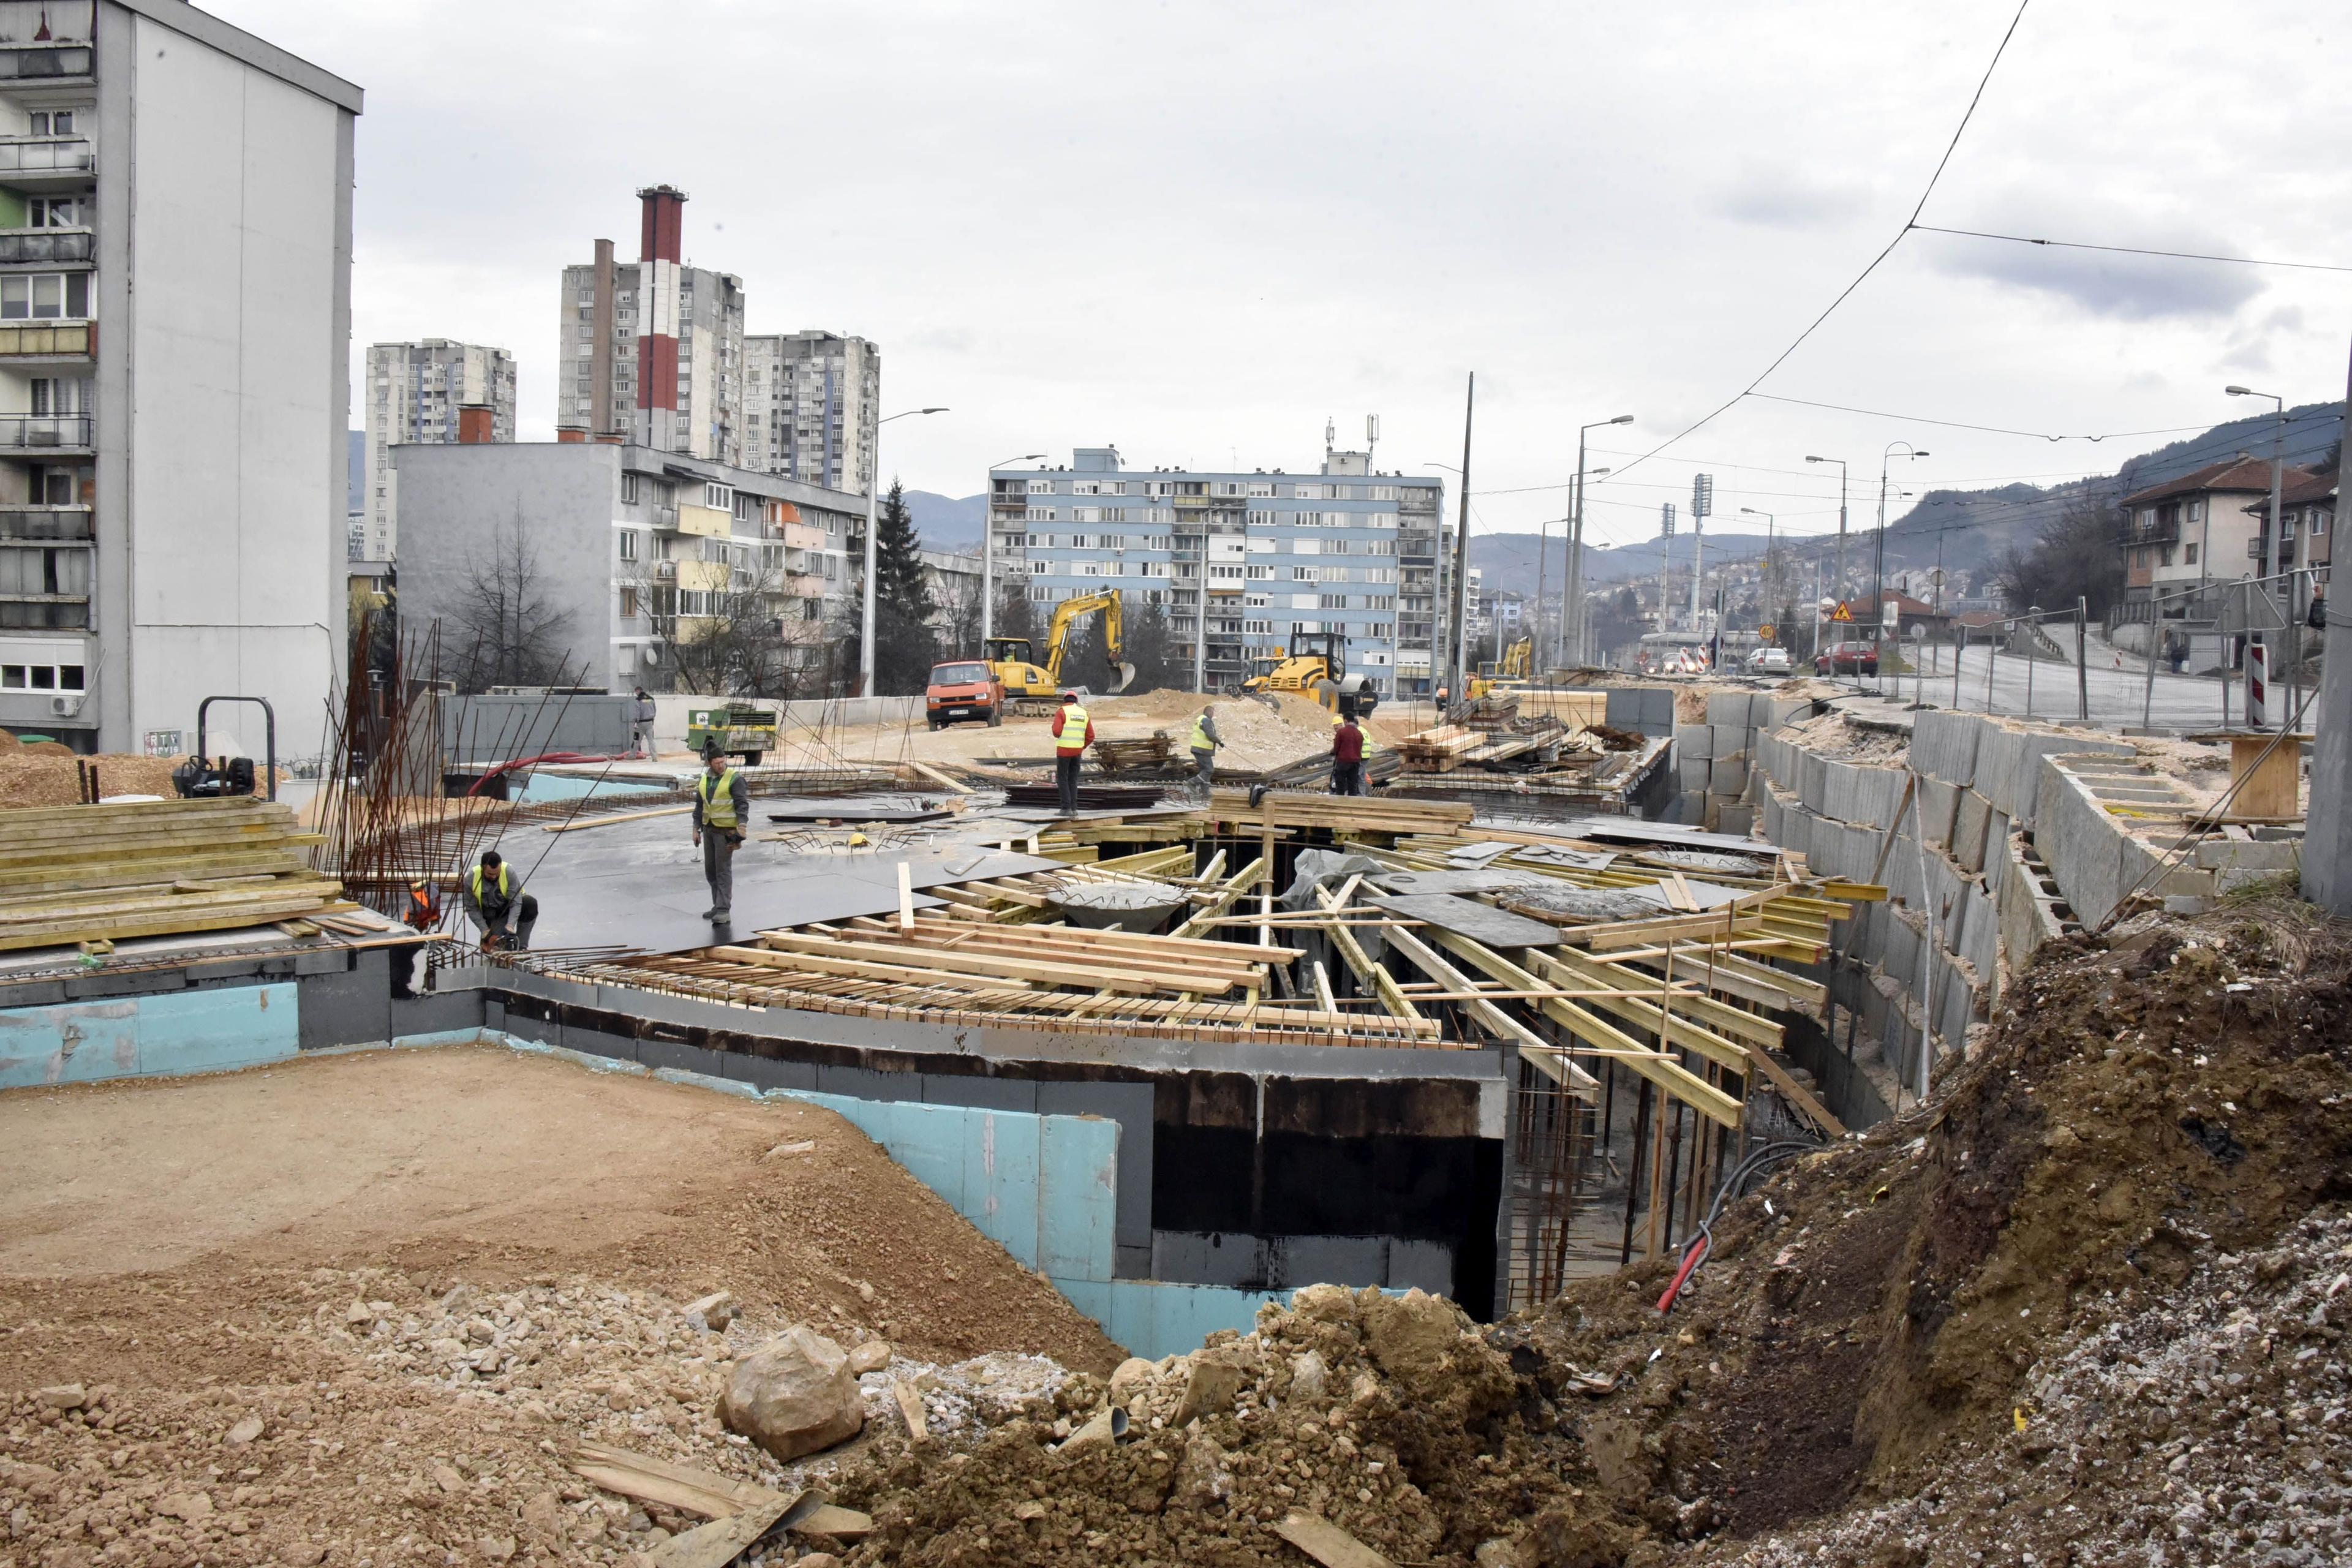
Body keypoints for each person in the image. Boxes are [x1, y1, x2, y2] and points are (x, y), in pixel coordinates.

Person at [692, 745, 750, 922]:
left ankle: (724, 910)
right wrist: (696, 829)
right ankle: (717, 905)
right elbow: (699, 807)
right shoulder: (704, 780)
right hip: (709, 830)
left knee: (723, 871)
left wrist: (742, 827)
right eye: (717, 763)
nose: (721, 765)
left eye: (723, 761)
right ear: (709, 762)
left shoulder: (734, 779)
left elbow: (742, 804)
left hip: (726, 832)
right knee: (711, 871)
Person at [461, 851, 536, 952]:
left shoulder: (508, 872)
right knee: (497, 947)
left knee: (530, 903)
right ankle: (498, 939)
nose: (494, 877)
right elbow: (472, 908)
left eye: (497, 873)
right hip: (491, 913)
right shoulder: (471, 878)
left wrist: (510, 925)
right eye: (490, 874)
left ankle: (521, 947)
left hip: (508, 906)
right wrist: (484, 930)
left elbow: (516, 902)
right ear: (483, 868)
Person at [391, 878, 441, 998]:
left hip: (419, 922)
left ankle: (417, 985)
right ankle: (415, 986)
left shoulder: (427, 895)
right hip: (416, 923)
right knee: (416, 955)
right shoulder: (421, 898)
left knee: (418, 954)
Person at [1050, 689, 1093, 815]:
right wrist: (1081, 746)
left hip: (1064, 751)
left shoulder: (1062, 712)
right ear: (1076, 700)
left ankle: (1066, 808)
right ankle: (1074, 809)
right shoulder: (1084, 713)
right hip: (1077, 752)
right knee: (1073, 780)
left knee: (1062, 779)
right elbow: (1091, 736)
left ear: (1065, 700)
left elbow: (1057, 732)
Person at [1330, 711, 1365, 796]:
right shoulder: (1359, 733)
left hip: (1343, 762)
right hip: (1355, 763)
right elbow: (1359, 748)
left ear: (1345, 721)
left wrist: (1334, 753)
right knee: (1352, 785)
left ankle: (1340, 803)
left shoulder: (1341, 732)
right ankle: (1351, 804)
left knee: (1340, 785)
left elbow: (1336, 748)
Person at [1187, 704, 1221, 791]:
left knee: (1205, 770)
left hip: (1199, 749)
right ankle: (1192, 782)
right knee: (1209, 770)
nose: (1213, 715)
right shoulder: (1206, 720)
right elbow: (1210, 735)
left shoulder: (1200, 719)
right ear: (1209, 712)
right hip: (1202, 749)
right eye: (1213, 713)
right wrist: (1219, 741)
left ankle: (1205, 791)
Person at [631, 687, 657, 758]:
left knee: (636, 739)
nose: (636, 694)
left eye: (636, 692)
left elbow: (638, 712)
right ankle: (654, 757)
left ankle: (632, 755)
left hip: (641, 724)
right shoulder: (651, 699)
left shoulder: (638, 700)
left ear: (638, 691)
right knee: (651, 741)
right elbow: (655, 710)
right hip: (650, 723)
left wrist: (636, 721)